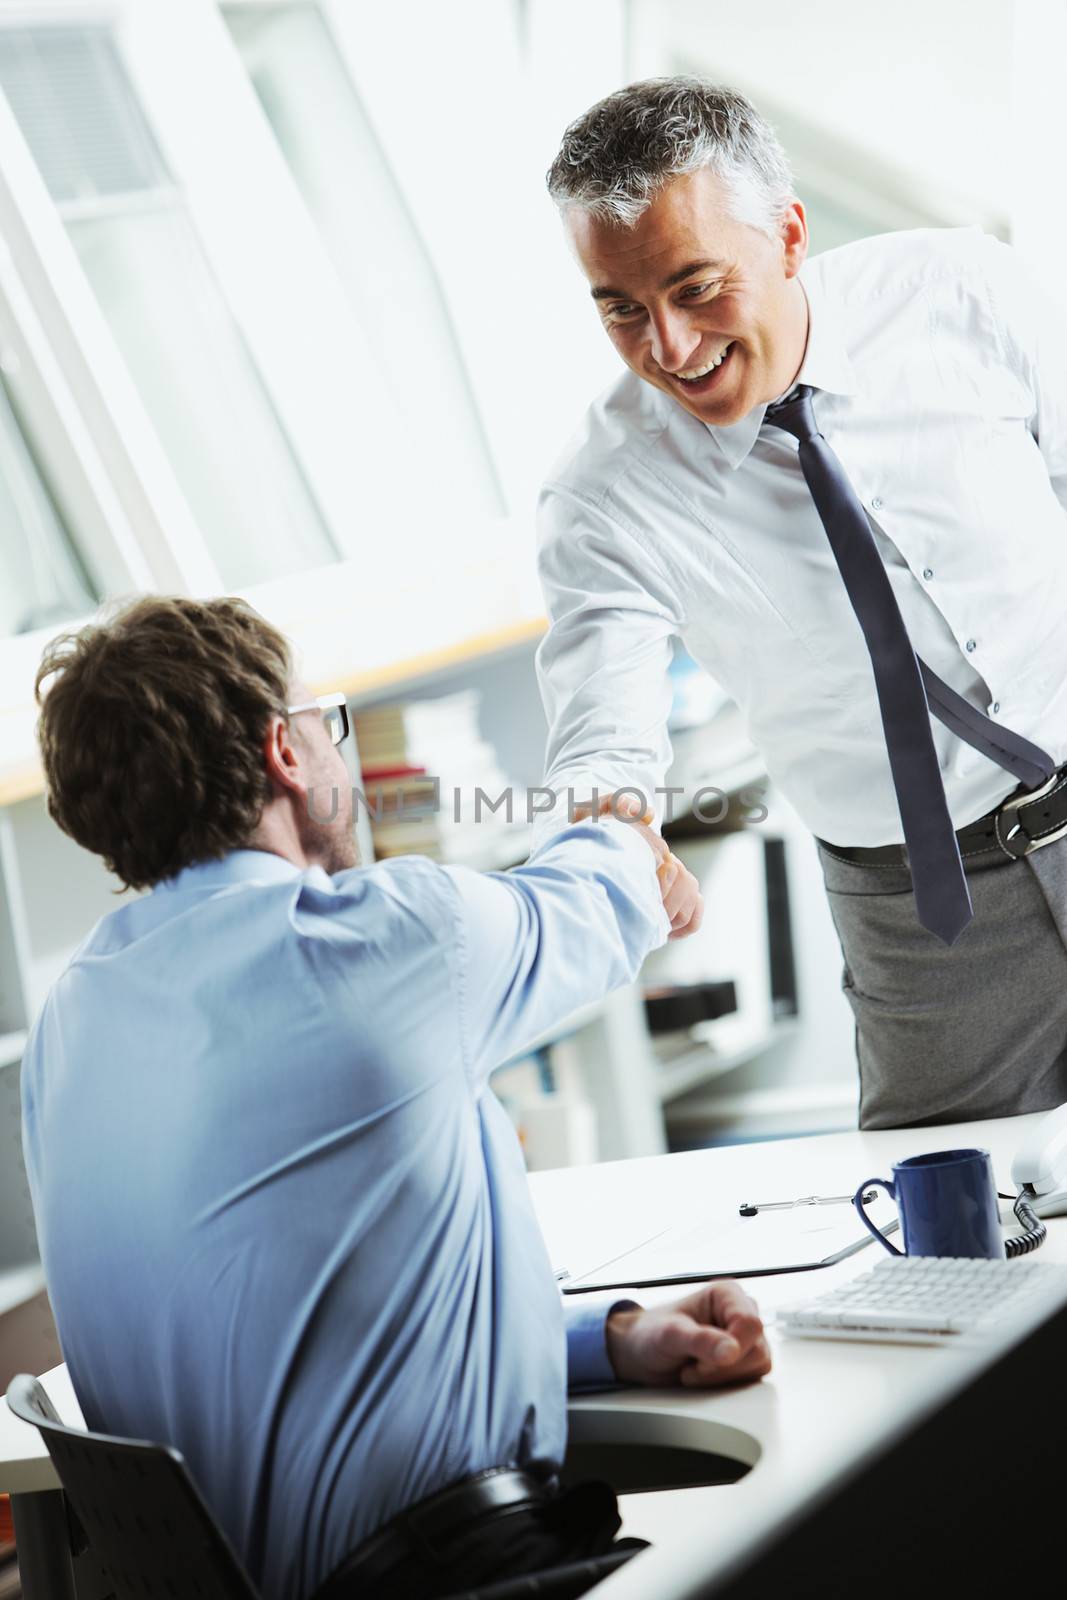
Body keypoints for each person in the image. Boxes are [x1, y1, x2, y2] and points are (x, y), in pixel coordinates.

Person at [22, 594, 771, 1600]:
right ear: (285, 751)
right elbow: (617, 884)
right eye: (326, 723)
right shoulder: (381, 938)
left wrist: (611, 1337)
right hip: (460, 1578)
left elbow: (294, 1339)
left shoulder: (71, 1027)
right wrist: (636, 844)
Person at [534, 74, 1067, 1131]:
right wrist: (615, 819)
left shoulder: (960, 292)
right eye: (620, 309)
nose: (667, 347)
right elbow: (602, 715)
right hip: (927, 915)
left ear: (786, 235)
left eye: (693, 288)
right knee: (956, 1247)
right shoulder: (604, 492)